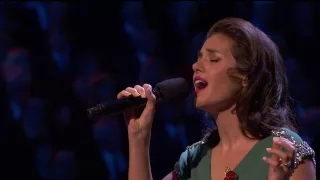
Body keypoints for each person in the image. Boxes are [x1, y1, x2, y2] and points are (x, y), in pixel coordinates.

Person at [116, 17, 316, 180]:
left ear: (246, 77)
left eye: (213, 59)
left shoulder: (283, 151)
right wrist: (138, 138)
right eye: (198, 58)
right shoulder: (194, 161)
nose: (196, 66)